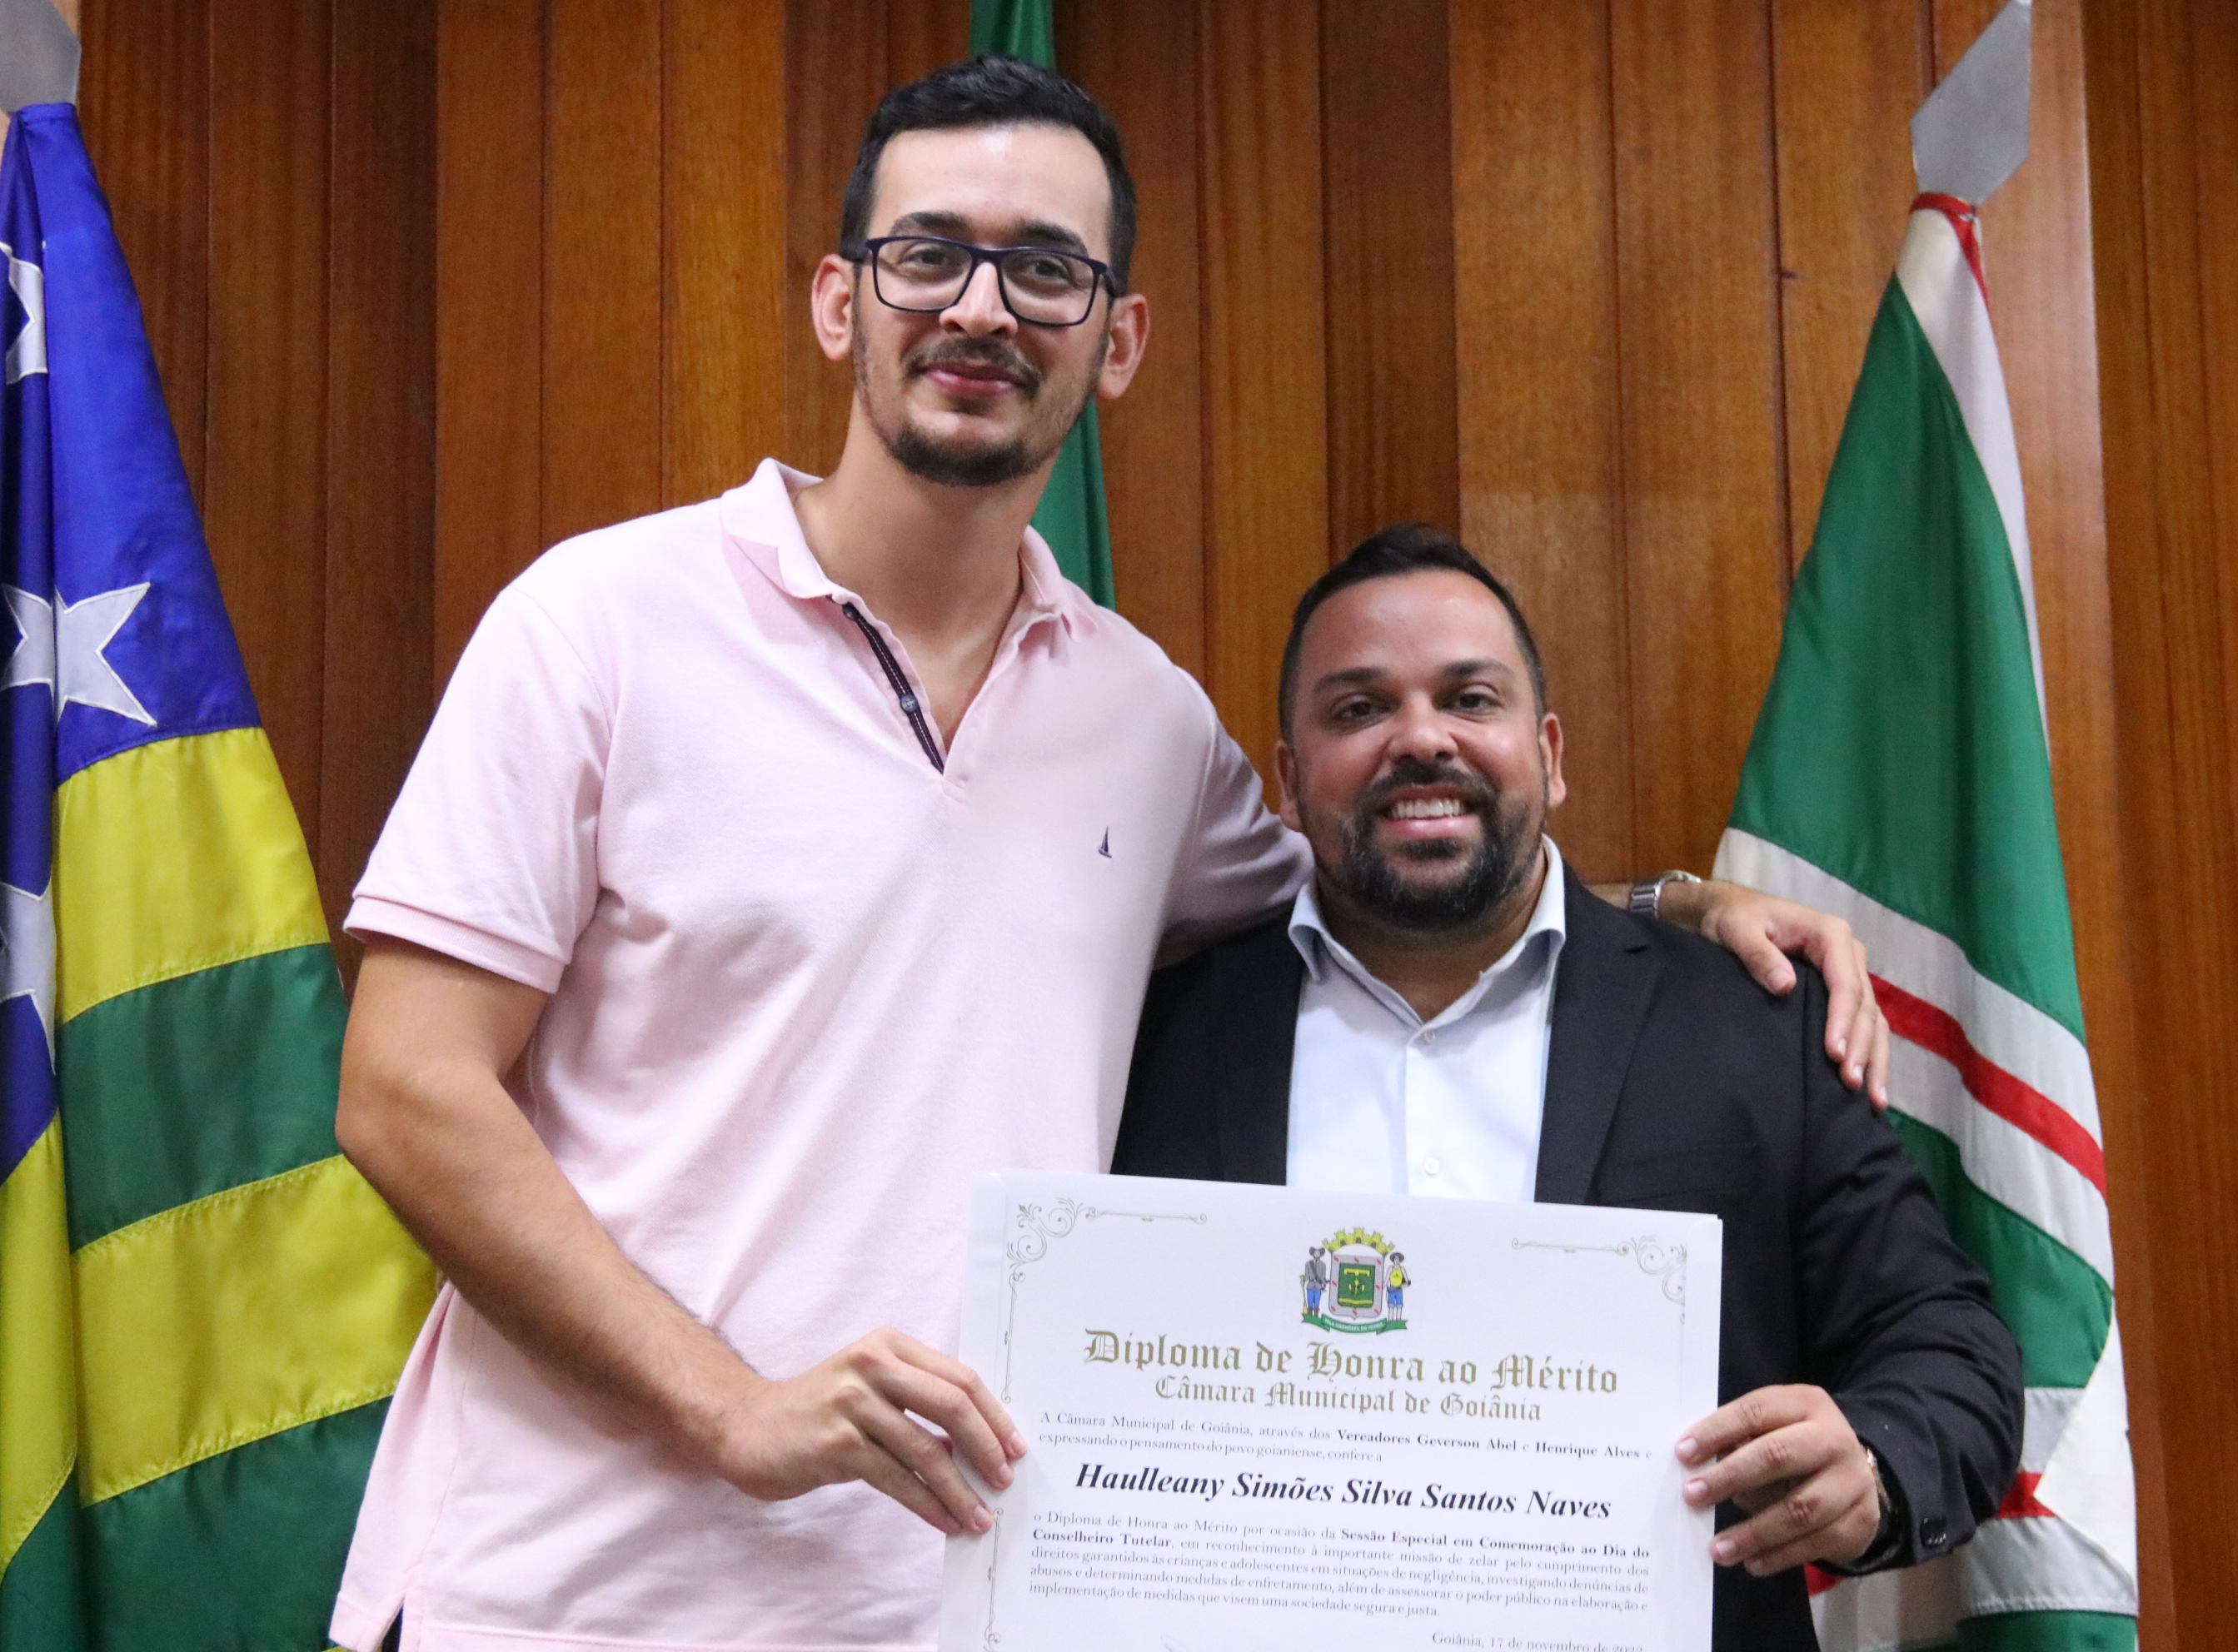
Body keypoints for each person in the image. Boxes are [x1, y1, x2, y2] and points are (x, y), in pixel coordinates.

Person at [329, 57, 1892, 1652]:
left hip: (955, 1604)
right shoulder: (597, 625)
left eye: (1046, 269)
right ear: (839, 301)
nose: (979, 307)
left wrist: (1674, 904)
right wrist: (733, 1407)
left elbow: (1380, 898)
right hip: (566, 1594)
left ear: (1117, 338)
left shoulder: (1147, 722)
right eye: (927, 254)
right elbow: (405, 1090)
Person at [1113, 525, 2024, 1652]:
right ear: (1290, 783)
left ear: (1548, 754)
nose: (1421, 738)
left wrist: (1874, 1460)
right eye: (1359, 709)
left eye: (1470, 698)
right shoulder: (1156, 1040)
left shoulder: (1749, 1025)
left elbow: (1946, 1339)